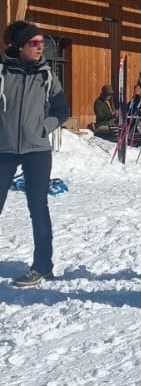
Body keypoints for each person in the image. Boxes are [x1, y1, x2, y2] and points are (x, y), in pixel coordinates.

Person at [0, 21, 69, 287]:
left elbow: (62, 110)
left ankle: (42, 266)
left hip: (37, 151)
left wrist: (44, 128)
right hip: (4, 150)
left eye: (42, 43)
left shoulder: (47, 75)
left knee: (38, 207)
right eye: (34, 43)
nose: (41, 48)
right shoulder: (3, 72)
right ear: (19, 46)